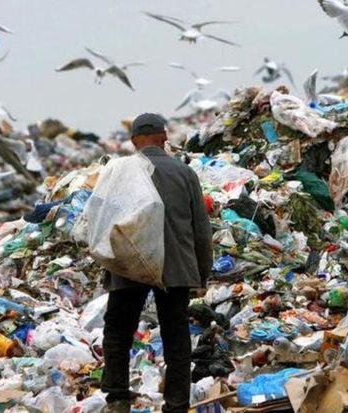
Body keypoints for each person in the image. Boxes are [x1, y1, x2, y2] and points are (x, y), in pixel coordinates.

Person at [101, 113, 213, 413]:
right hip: (175, 267)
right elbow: (201, 230)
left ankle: (117, 399)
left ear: (133, 141)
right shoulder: (184, 173)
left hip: (130, 264)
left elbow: (104, 222)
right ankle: (176, 405)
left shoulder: (121, 173)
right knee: (176, 336)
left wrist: (110, 269)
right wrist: (202, 273)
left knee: (118, 331)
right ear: (164, 138)